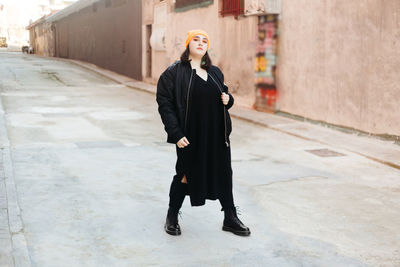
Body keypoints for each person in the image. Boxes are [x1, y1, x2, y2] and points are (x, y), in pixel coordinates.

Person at [156, 29, 250, 237]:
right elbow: (165, 104)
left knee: (224, 174)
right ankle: (172, 215)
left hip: (217, 135)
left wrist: (229, 100)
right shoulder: (174, 72)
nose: (200, 43)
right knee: (185, 175)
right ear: (188, 44)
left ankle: (230, 217)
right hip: (190, 135)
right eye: (195, 39)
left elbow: (223, 95)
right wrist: (175, 132)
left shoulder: (215, 72)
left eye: (204, 40)